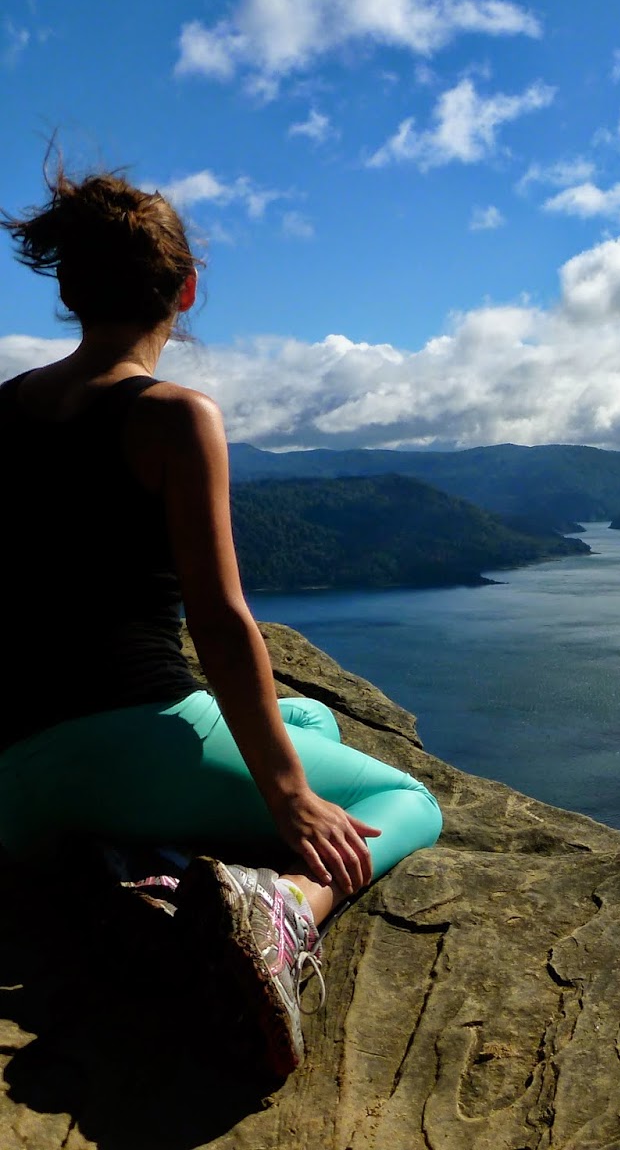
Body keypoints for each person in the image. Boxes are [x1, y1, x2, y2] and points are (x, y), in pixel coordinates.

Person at [0, 164, 444, 1077]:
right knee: (403, 800)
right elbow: (221, 615)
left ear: (68, 289)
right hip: (131, 733)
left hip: (17, 780)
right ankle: (278, 918)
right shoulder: (173, 416)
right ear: (187, 289)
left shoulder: (5, 408)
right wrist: (289, 798)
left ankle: (139, 864)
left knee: (308, 719)